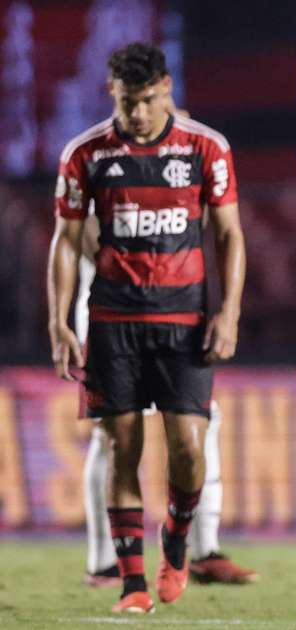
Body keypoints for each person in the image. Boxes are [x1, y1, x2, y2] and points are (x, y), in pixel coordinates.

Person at [47, 42, 245, 614]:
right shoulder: (86, 154)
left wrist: (228, 311)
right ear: (113, 93)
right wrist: (60, 322)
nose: (137, 113)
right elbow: (65, 242)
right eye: (128, 102)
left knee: (188, 447)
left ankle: (178, 540)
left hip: (184, 321)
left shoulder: (206, 148)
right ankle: (133, 585)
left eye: (148, 100)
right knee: (119, 446)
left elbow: (230, 234)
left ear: (168, 88)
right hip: (113, 320)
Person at [76, 213, 257, 589]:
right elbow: (80, 229)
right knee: (114, 434)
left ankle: (204, 550)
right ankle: (105, 562)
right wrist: (135, 272)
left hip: (168, 306)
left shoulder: (184, 158)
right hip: (115, 306)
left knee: (204, 418)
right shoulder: (101, 156)